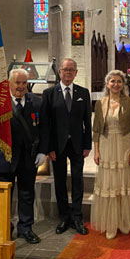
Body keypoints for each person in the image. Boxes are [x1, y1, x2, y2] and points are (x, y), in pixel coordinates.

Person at [0, 68, 47, 244]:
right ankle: (4, 227)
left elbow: (44, 128)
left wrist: (43, 151)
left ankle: (25, 228)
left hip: (28, 157)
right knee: (4, 195)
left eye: (23, 83)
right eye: (17, 83)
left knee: (27, 194)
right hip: (3, 157)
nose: (20, 87)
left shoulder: (36, 101)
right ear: (9, 84)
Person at [40, 58, 92, 235]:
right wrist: (48, 148)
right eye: (65, 70)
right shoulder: (49, 94)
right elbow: (45, 124)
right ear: (59, 72)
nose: (68, 73)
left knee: (78, 180)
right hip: (57, 145)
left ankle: (77, 216)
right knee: (60, 181)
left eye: (71, 70)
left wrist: (87, 144)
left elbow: (87, 121)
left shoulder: (83, 93)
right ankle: (64, 217)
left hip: (77, 144)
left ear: (76, 73)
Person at [91, 70, 130, 240]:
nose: (116, 84)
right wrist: (96, 151)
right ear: (107, 84)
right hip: (106, 145)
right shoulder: (100, 103)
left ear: (123, 84)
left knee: (124, 183)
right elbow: (96, 129)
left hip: (124, 145)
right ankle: (111, 224)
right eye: (112, 81)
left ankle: (124, 221)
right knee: (109, 184)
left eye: (119, 81)